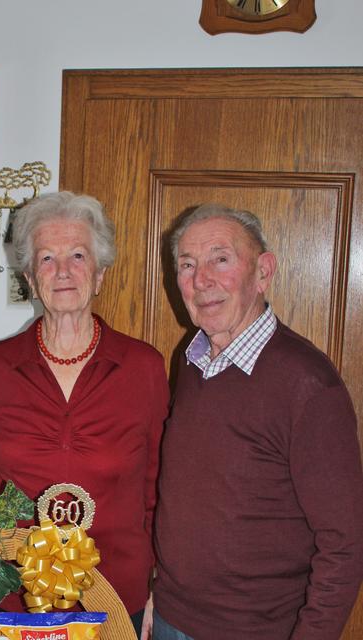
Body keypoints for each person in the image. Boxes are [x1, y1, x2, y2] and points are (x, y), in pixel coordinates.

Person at [0, 191, 169, 635]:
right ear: (30, 277)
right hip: (10, 598)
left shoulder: (143, 367)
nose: (63, 271)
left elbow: (159, 489)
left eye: (78, 255)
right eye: (47, 258)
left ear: (101, 273)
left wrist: (156, 587)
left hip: (114, 598)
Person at [142, 204, 363, 640]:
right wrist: (156, 593)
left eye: (220, 259)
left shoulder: (308, 384)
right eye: (187, 264)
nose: (201, 279)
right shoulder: (189, 360)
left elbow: (345, 544)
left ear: (263, 272)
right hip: (170, 618)